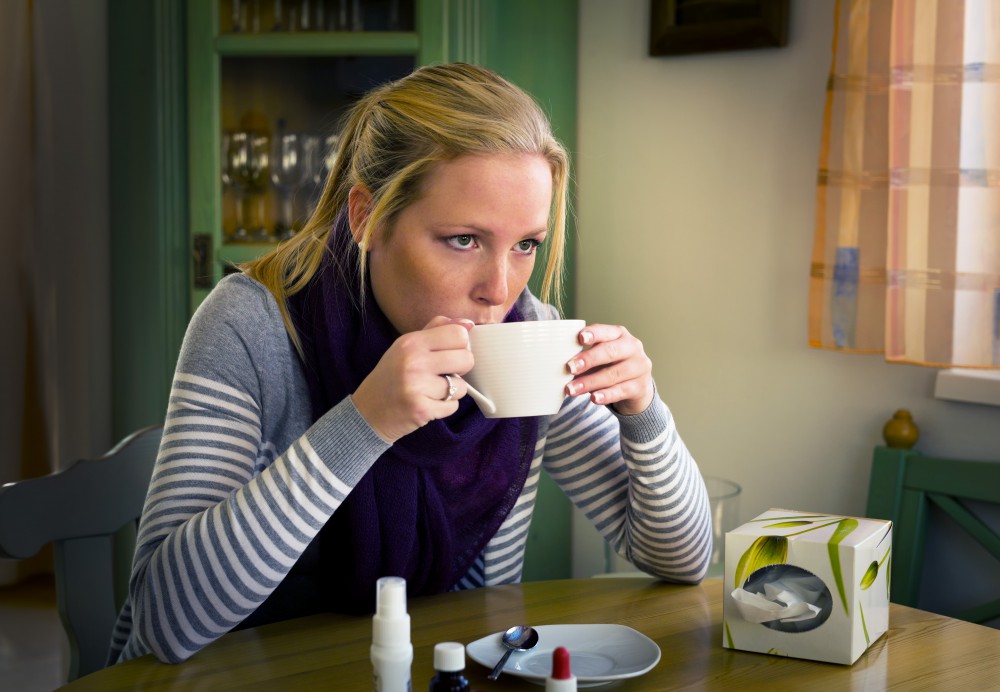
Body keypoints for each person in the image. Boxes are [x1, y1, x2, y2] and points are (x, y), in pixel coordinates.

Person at [108, 62, 712, 665]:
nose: (499, 291)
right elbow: (164, 622)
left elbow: (684, 561)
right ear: (366, 216)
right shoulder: (252, 325)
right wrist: (363, 424)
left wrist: (645, 413)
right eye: (463, 240)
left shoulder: (528, 337)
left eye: (526, 244)